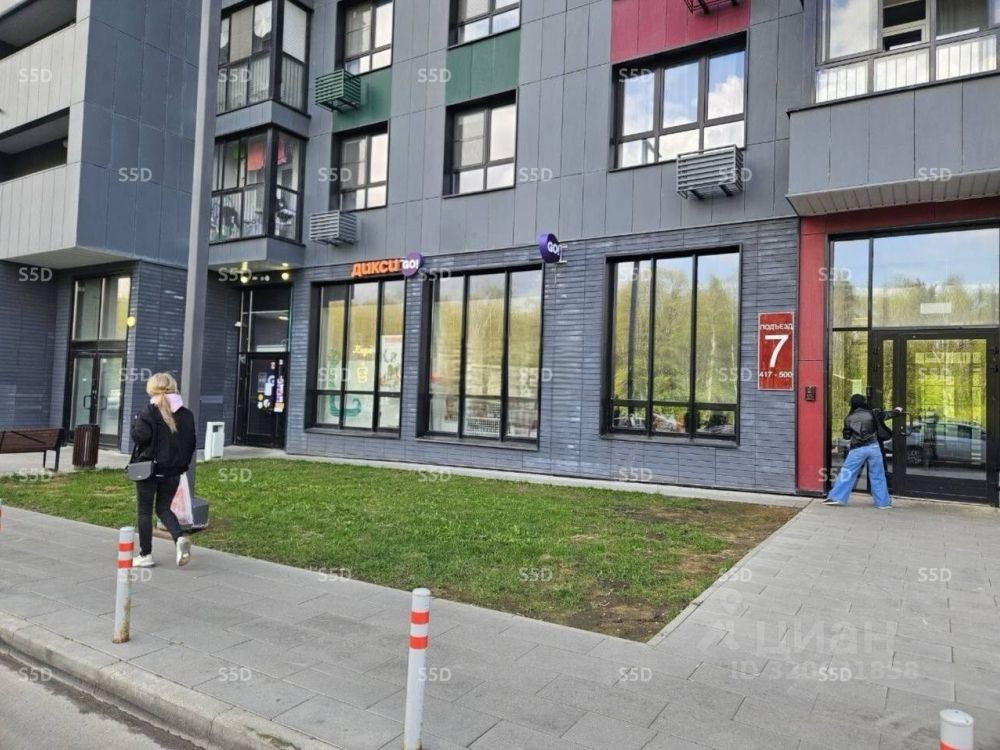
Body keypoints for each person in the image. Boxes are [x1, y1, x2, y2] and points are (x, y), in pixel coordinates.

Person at [130, 373, 196, 567]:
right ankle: (179, 538)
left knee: (144, 511)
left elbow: (140, 437)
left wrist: (135, 423)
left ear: (152, 389)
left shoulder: (148, 412)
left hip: (149, 469)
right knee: (163, 508)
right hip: (174, 470)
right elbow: (191, 442)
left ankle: (145, 555)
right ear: (173, 387)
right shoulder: (186, 414)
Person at [825, 394, 903, 509]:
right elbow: (888, 414)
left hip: (857, 449)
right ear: (864, 402)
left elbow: (847, 436)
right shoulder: (873, 413)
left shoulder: (849, 418)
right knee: (878, 475)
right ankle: (883, 503)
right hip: (874, 447)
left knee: (847, 473)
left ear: (852, 404)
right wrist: (897, 410)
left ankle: (836, 498)